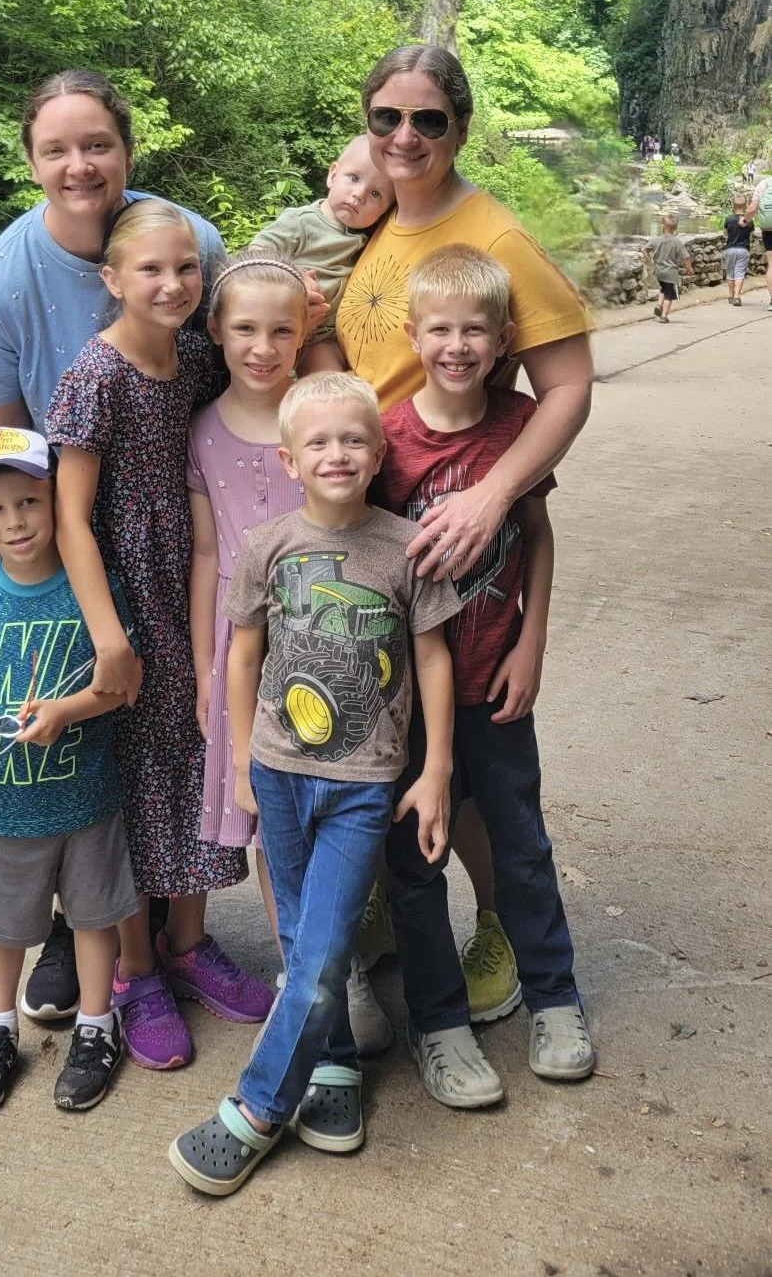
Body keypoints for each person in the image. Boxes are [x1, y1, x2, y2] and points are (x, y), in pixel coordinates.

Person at [0, 70, 228, 1022]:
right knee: (94, 738)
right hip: (73, 545)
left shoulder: (185, 243)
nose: (79, 165)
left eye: (96, 143)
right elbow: (1, 443)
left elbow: (226, 374)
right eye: (56, 149)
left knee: (178, 735)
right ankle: (94, 937)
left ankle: (168, 939)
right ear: (30, 163)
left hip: (184, 536)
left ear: (127, 151)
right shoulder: (1, 281)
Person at [331, 44, 593, 1100]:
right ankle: (419, 975)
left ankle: (517, 958)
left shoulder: (490, 239)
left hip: (463, 535)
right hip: (377, 546)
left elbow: (567, 384)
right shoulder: (384, 223)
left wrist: (491, 495)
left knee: (491, 796)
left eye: (426, 122)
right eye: (386, 118)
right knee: (407, 797)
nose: (404, 138)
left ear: (459, 128)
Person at [168, 373, 461, 1196]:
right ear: (291, 461)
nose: (337, 454)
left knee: (325, 943)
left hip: (364, 782)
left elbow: (434, 658)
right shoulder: (266, 546)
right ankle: (331, 1065)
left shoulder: (408, 546)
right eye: (319, 443)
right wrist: (237, 769)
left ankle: (259, 1108)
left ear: (378, 453)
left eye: (353, 440)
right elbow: (242, 657)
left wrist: (434, 768)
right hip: (277, 770)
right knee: (302, 940)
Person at [46, 200, 274, 1072]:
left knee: (195, 756)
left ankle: (189, 942)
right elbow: (70, 520)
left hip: (196, 586)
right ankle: (136, 970)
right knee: (137, 780)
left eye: (188, 270)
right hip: (127, 596)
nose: (174, 284)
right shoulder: (95, 376)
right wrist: (109, 637)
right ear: (112, 281)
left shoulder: (195, 359)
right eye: (152, 270)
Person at [378, 247, 594, 1098]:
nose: (457, 345)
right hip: (409, 698)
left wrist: (532, 640)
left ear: (506, 338)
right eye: (440, 329)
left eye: (476, 330)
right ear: (412, 334)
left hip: (498, 680)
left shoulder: (518, 426)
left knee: (520, 843)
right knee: (416, 857)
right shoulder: (387, 440)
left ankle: (555, 996)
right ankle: (438, 1022)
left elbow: (535, 534)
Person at [189, 250, 393, 1057]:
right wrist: (206, 664)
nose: (262, 346)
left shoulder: (322, 418)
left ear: (305, 328)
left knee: (338, 797)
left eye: (282, 329)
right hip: (243, 641)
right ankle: (297, 967)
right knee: (274, 817)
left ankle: (340, 962)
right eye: (244, 329)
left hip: (325, 636)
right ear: (216, 332)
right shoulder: (203, 428)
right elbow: (209, 554)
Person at [0, 427, 140, 1113]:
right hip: (6, 803)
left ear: (56, 501)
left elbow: (123, 680)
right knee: (4, 922)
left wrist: (66, 712)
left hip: (88, 794)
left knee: (93, 915)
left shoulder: (89, 588)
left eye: (29, 502)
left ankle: (97, 1027)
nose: (15, 521)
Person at [252, 135, 394, 370]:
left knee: (328, 389)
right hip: (279, 324)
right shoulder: (302, 222)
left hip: (322, 340)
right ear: (333, 175)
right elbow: (256, 252)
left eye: (376, 194)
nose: (360, 194)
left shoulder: (369, 238)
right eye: (354, 178)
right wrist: (294, 279)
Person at [646, 212, 692, 323]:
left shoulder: (656, 240)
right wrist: (689, 268)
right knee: (670, 295)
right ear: (675, 228)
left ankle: (658, 305)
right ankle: (664, 315)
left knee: (663, 289)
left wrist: (650, 261)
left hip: (659, 272)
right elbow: (686, 257)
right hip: (670, 273)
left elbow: (644, 249)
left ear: (662, 226)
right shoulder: (676, 242)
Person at [745, 166, 772, 309]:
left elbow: (752, 209)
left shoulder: (763, 184)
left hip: (769, 229)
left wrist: (744, 220)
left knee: (771, 265)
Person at [723, 194, 754, 306]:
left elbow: (725, 234)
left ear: (733, 206)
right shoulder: (749, 221)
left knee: (730, 274)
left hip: (730, 249)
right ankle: (737, 297)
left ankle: (731, 296)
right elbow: (751, 236)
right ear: (745, 205)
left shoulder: (729, 219)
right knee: (739, 273)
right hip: (743, 249)